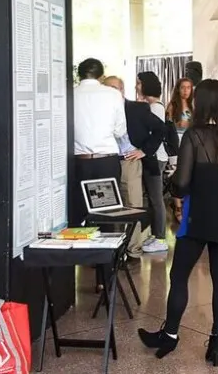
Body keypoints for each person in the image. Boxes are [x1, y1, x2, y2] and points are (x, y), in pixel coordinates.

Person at [137, 79, 218, 366]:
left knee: (180, 276)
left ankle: (170, 335)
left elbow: (182, 185)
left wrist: (176, 182)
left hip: (197, 217)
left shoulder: (194, 137)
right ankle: (216, 341)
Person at [103, 76, 164, 258]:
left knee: (133, 205)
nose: (110, 92)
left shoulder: (137, 108)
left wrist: (144, 151)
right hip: (107, 160)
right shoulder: (101, 109)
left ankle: (133, 249)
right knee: (110, 205)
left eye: (114, 88)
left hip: (129, 160)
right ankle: (114, 248)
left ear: (122, 90)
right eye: (107, 89)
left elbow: (161, 128)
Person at [71, 59, 126, 228]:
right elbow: (120, 131)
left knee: (78, 212)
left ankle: (81, 252)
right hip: (105, 162)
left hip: (79, 162)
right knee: (105, 213)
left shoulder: (69, 94)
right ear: (102, 76)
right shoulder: (113, 94)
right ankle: (105, 251)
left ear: (79, 75)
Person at [136, 71, 170, 254]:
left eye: (139, 83)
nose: (136, 87)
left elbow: (156, 133)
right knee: (152, 198)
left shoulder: (155, 107)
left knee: (156, 199)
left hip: (156, 158)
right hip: (154, 157)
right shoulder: (150, 105)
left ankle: (161, 237)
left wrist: (143, 150)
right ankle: (156, 234)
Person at [166, 77, 194, 223]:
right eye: (183, 87)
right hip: (176, 143)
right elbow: (170, 127)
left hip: (189, 142)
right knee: (176, 175)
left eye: (188, 87)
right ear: (178, 89)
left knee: (189, 175)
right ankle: (177, 207)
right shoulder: (172, 106)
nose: (186, 91)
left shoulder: (192, 105)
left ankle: (187, 206)